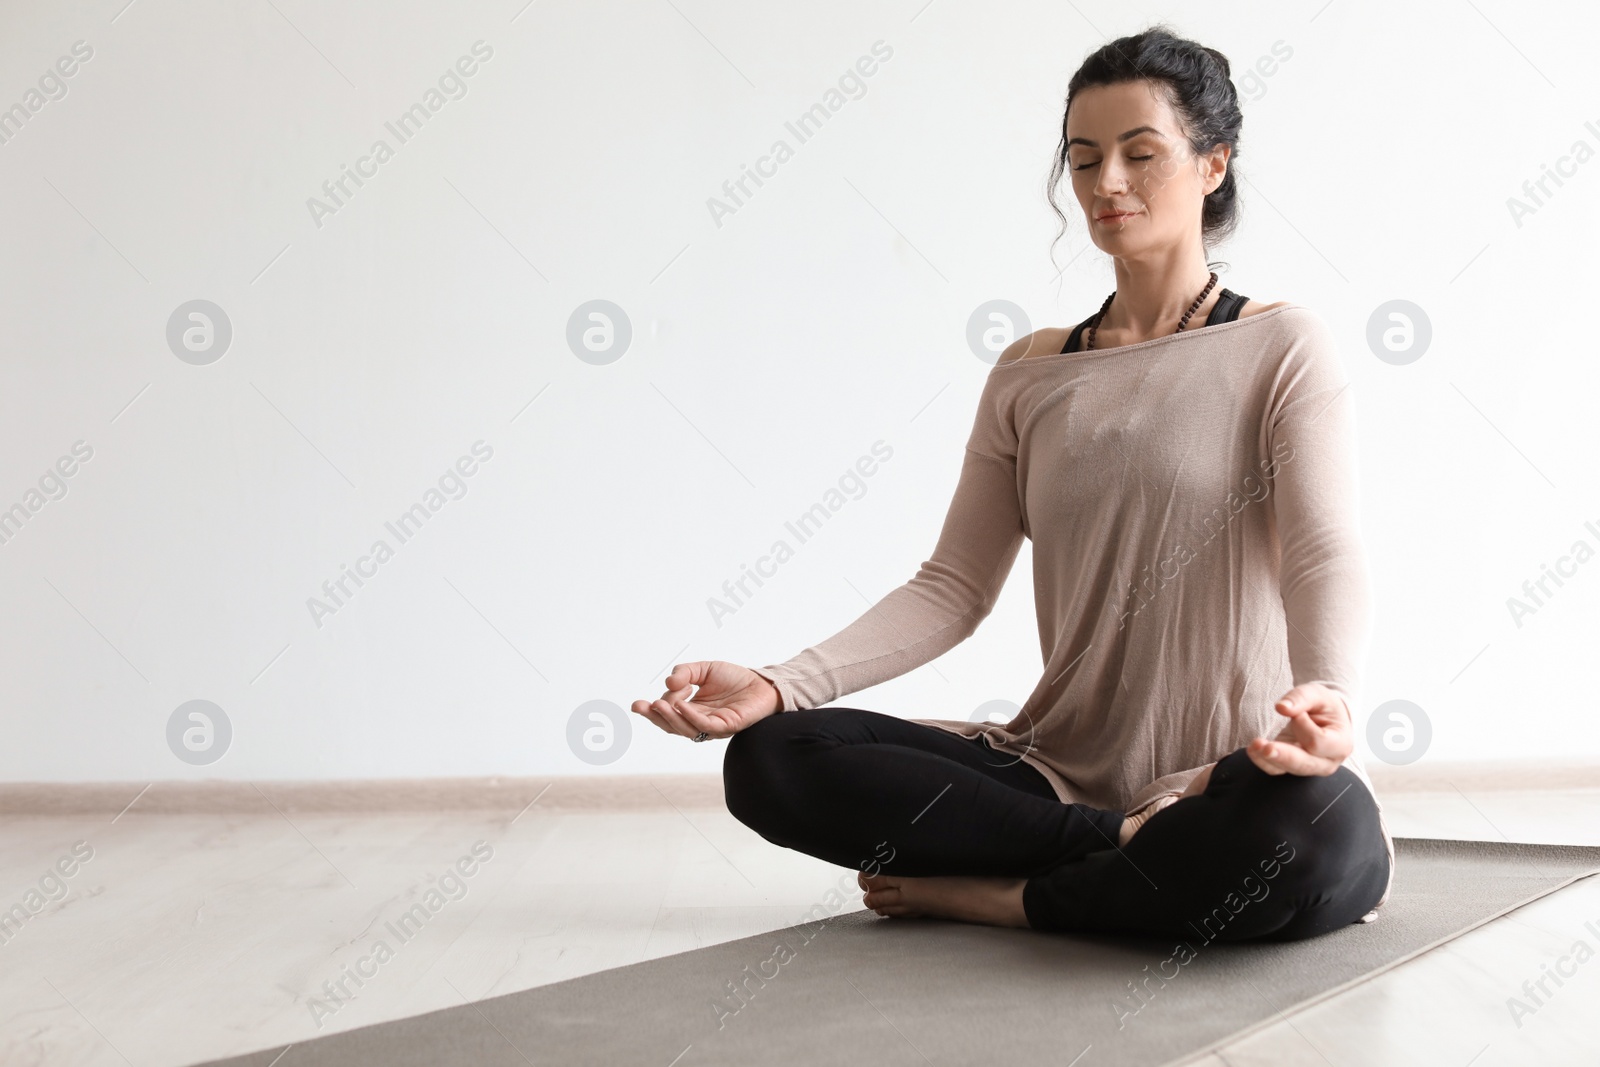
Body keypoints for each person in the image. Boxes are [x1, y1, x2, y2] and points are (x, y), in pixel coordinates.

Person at [630, 24, 1393, 943]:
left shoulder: (1282, 345)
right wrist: (779, 681)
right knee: (772, 757)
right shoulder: (1030, 373)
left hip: (1233, 776)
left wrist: (1332, 696)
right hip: (1058, 776)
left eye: (1140, 154)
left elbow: (1321, 551)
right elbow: (950, 589)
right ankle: (1114, 843)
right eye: (1084, 158)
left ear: (1212, 164)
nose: (1107, 184)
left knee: (1315, 837)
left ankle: (1004, 895)